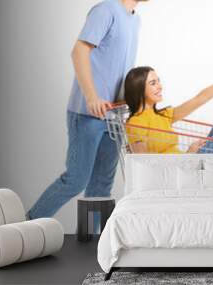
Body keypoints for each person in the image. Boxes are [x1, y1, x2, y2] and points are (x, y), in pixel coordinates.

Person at [28, 0, 148, 233]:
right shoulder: (105, 11)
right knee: (75, 180)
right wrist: (92, 97)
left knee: (102, 185)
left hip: (115, 117)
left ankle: (94, 241)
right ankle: (25, 226)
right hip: (87, 114)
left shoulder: (135, 19)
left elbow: (119, 68)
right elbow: (79, 51)